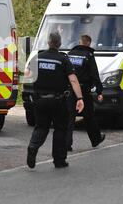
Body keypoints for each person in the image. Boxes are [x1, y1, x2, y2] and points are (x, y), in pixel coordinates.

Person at [25, 32, 84, 169]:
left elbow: (28, 75)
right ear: (60, 45)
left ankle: (33, 147)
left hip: (40, 100)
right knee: (60, 129)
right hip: (58, 101)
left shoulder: (38, 57)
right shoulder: (63, 59)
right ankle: (59, 160)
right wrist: (80, 98)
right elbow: (73, 80)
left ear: (48, 43)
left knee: (41, 127)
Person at [66, 35, 105, 151]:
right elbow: (94, 74)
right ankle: (96, 139)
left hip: (70, 88)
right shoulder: (88, 55)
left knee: (69, 117)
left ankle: (67, 143)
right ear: (88, 43)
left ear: (80, 42)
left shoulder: (70, 53)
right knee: (89, 116)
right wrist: (99, 91)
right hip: (83, 90)